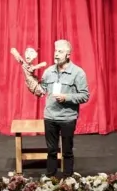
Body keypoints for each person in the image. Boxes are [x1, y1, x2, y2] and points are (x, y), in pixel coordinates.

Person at [38, 39, 89, 177]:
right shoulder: (48, 72)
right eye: (55, 51)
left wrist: (67, 97)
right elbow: (41, 90)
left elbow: (84, 96)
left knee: (67, 150)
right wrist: (31, 83)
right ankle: (50, 178)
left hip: (67, 118)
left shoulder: (78, 73)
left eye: (60, 51)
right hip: (50, 117)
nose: (56, 54)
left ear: (68, 55)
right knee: (51, 150)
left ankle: (68, 178)